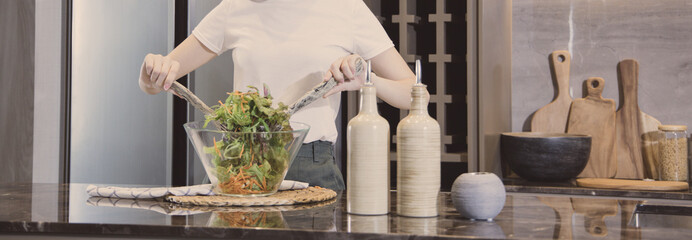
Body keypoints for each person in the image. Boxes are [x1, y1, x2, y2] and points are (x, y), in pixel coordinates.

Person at [139, 0, 416, 190]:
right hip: (240, 165)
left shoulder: (346, 8)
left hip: (311, 166)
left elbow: (412, 93)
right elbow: (157, 81)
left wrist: (366, 80)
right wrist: (152, 71)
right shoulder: (236, 8)